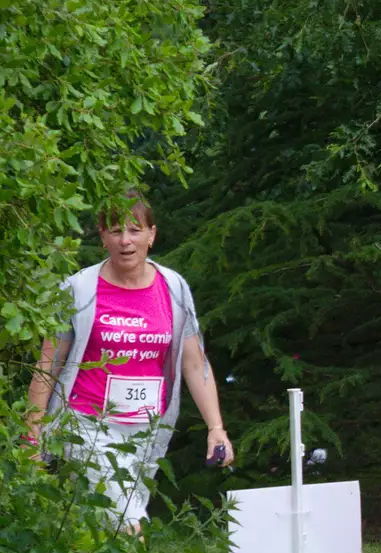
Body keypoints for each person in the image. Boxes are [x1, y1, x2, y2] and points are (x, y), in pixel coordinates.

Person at [27, 192, 234, 529]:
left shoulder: (174, 289)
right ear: (102, 235)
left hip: (148, 429)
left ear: (152, 235)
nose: (125, 241)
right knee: (126, 520)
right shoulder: (77, 290)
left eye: (135, 231)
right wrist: (32, 432)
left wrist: (216, 428)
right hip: (85, 424)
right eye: (115, 231)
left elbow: (195, 364)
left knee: (109, 527)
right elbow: (48, 365)